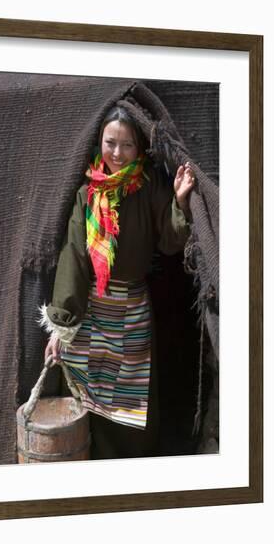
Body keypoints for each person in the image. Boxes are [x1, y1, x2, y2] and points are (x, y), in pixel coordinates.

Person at [39, 105, 195, 459]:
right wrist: (60, 328)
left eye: (126, 145)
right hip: (91, 307)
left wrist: (181, 202)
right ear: (99, 142)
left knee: (130, 396)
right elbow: (75, 257)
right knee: (87, 392)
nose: (117, 153)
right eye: (111, 143)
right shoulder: (88, 193)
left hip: (132, 307)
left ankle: (131, 469)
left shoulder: (150, 184)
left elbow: (170, 240)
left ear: (139, 147)